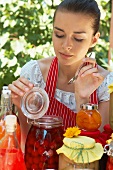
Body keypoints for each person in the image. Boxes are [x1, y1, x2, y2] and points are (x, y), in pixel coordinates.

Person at [8, 0, 113, 165]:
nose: (66, 45)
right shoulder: (35, 73)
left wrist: (83, 99)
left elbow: (99, 155)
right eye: (59, 34)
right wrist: (23, 109)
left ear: (94, 40)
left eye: (78, 38)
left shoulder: (104, 83)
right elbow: (26, 151)